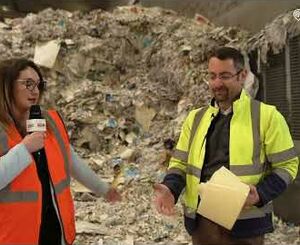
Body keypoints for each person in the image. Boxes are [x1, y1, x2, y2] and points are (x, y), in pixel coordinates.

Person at [153, 47, 299, 245]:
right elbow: (180, 164)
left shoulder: (267, 116)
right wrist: (170, 189)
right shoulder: (195, 119)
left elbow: (288, 165)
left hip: (246, 224)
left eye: (224, 76)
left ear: (243, 75)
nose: (216, 83)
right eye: (212, 76)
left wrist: (260, 194)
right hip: (202, 223)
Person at [0, 58, 121, 245]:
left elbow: (70, 160)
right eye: (28, 84)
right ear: (7, 86)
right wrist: (25, 149)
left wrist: (103, 189)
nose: (35, 91)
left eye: (39, 84)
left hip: (54, 229)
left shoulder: (49, 122)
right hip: (15, 235)